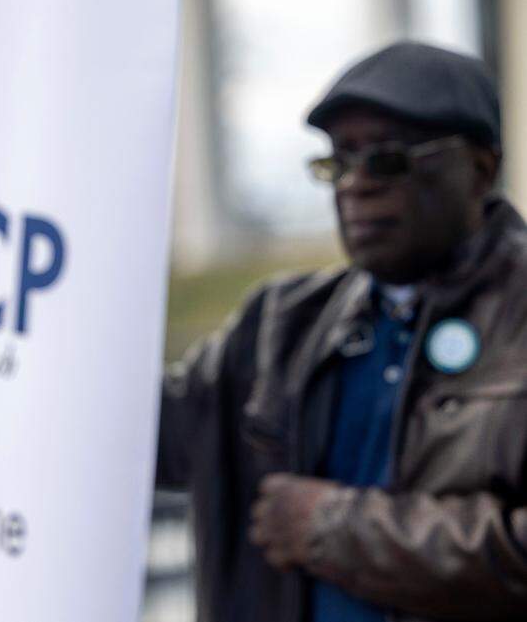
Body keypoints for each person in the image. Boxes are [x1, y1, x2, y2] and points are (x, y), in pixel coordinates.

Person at [158, 41, 527, 622]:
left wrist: (335, 529)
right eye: (337, 162)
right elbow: (140, 437)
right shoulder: (278, 325)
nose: (354, 185)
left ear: (480, 168)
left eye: (386, 159)